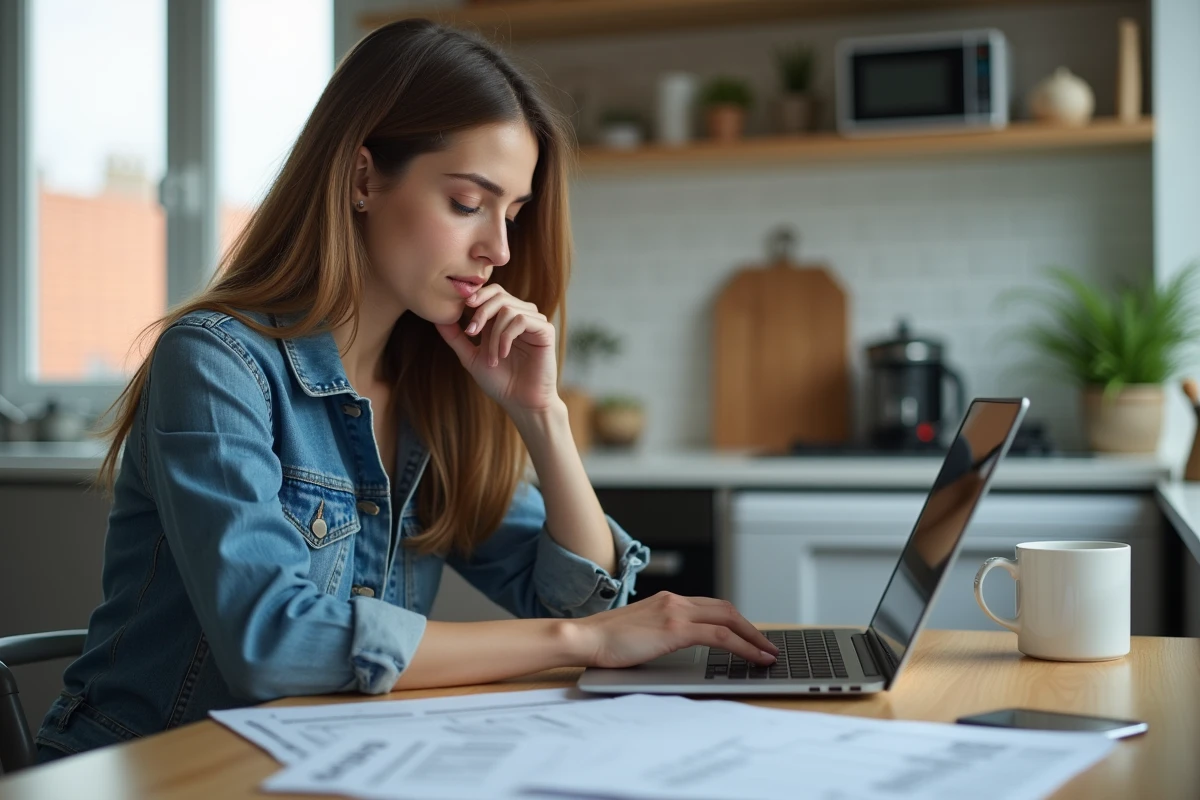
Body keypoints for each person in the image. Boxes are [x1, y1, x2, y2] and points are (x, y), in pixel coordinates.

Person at [35, 19, 778, 763]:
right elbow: (274, 641)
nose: (500, 249)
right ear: (362, 179)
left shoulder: (434, 386)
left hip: (322, 763)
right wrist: (580, 641)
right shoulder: (216, 361)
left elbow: (578, 596)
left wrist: (541, 416)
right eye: (466, 203)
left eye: (512, 214)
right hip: (158, 768)